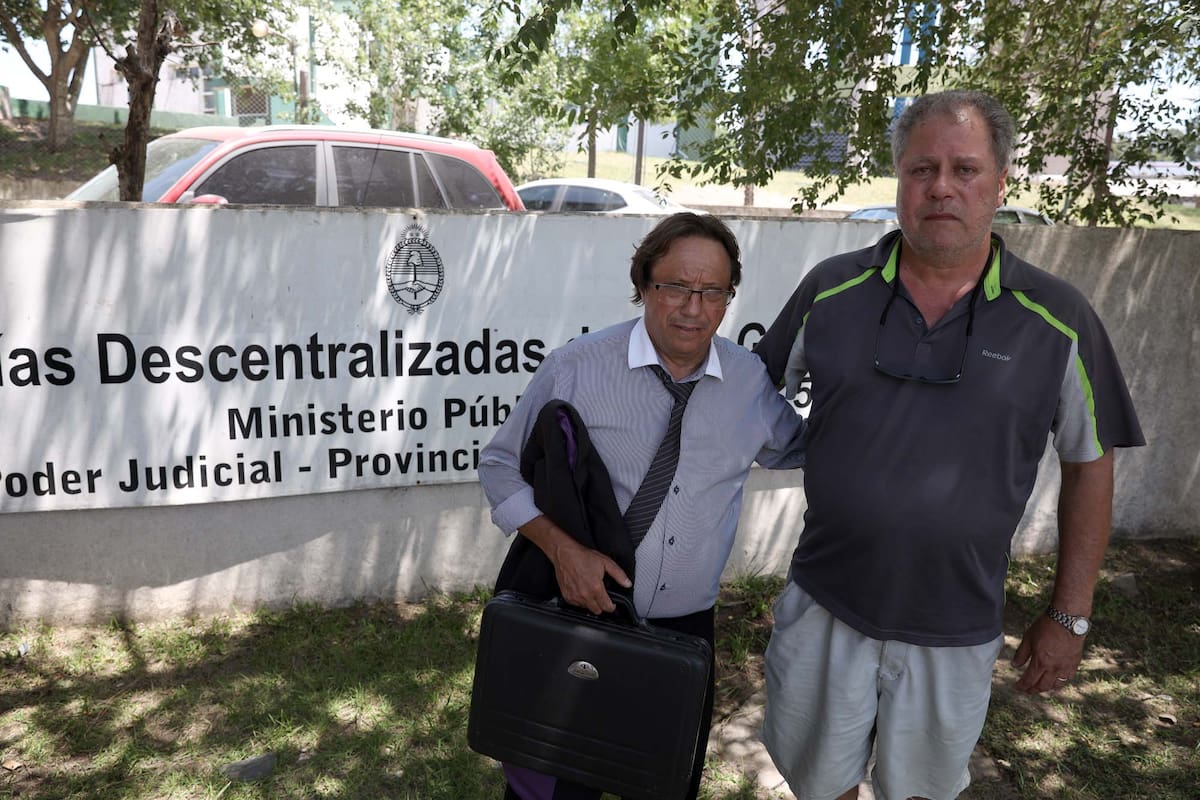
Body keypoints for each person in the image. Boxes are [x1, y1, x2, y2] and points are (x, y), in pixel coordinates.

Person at [754, 90, 1144, 800]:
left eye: (965, 169)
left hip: (957, 622)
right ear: (899, 180)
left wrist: (1069, 613)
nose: (941, 186)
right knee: (818, 782)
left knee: (922, 791)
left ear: (1000, 184)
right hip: (826, 601)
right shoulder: (829, 291)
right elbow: (744, 402)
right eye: (921, 168)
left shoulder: (1057, 318)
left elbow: (1091, 463)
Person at [477, 212, 807, 800]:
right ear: (643, 285)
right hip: (579, 614)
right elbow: (500, 466)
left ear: (729, 297)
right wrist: (564, 551)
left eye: (712, 291)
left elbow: (800, 448)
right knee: (554, 789)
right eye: (675, 286)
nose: (692, 308)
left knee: (663, 783)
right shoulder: (578, 366)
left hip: (684, 633)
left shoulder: (748, 380)